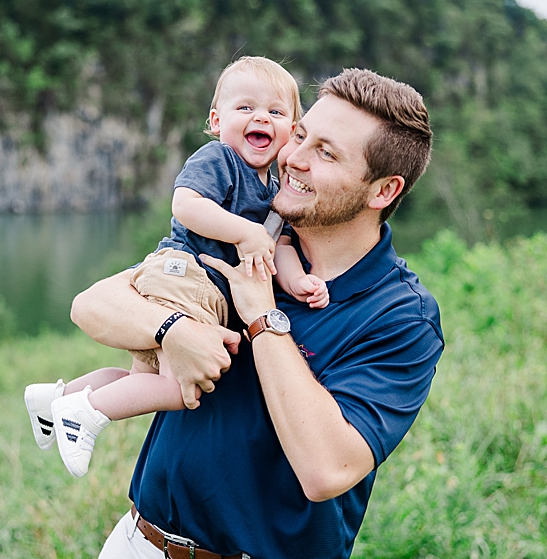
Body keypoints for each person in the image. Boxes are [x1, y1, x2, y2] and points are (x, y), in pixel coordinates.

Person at [71, 68, 445, 558]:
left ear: (382, 191)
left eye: (325, 153)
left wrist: (263, 316)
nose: (293, 158)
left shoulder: (400, 317)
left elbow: (326, 470)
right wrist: (173, 330)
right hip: (139, 541)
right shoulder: (244, 233)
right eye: (303, 135)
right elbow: (92, 304)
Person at [23, 56, 328, 478]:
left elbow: (281, 245)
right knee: (177, 388)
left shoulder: (275, 193)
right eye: (245, 108)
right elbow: (186, 205)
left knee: (141, 376)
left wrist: (297, 281)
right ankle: (85, 413)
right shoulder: (220, 160)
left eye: (276, 112)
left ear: (292, 130)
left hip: (198, 288)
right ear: (217, 120)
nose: (261, 117)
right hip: (185, 277)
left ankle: (56, 398)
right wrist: (243, 233)